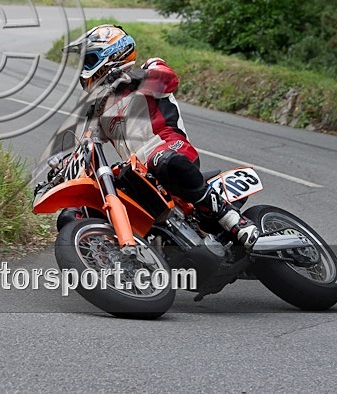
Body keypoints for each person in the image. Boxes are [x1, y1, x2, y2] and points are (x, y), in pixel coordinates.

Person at [65, 24, 260, 248]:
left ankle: (233, 220)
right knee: (96, 196)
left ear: (111, 54)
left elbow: (169, 80)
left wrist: (132, 77)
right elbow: (87, 147)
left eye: (89, 61)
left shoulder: (148, 69)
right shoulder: (99, 111)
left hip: (172, 149)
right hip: (140, 173)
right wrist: (64, 170)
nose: (84, 70)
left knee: (159, 161)